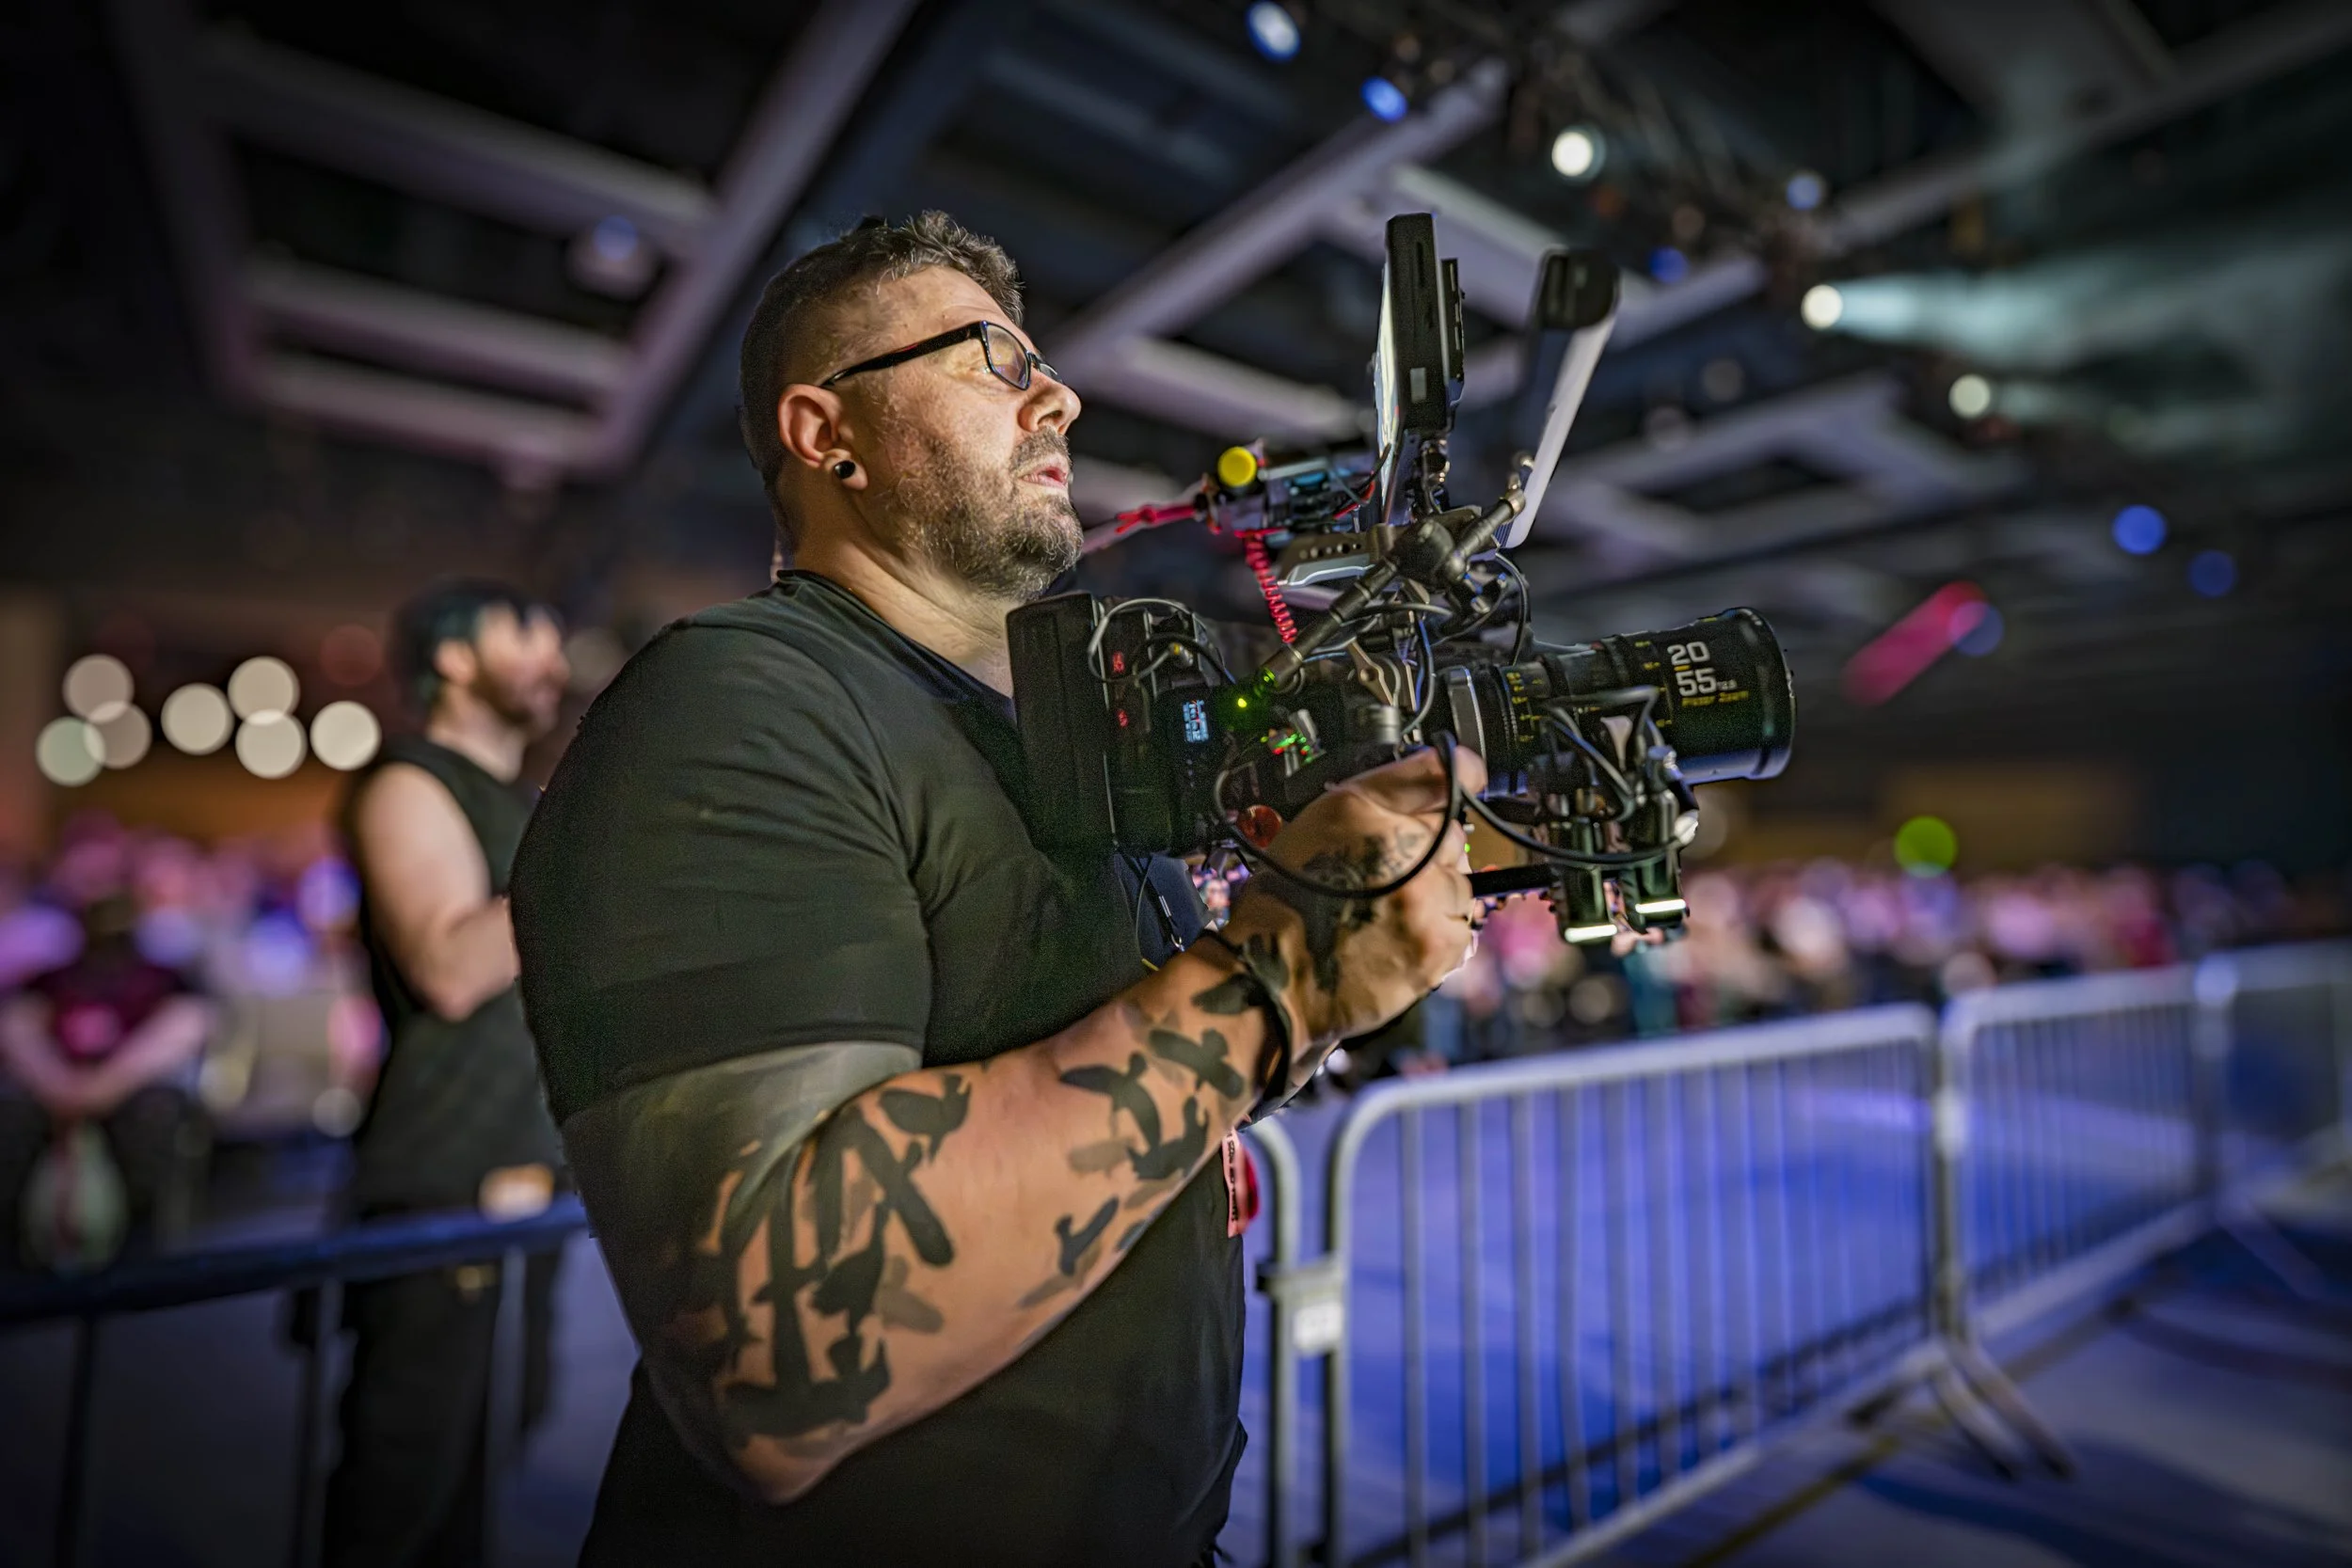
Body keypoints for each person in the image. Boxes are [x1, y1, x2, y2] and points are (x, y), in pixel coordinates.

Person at [511, 213, 1481, 1567]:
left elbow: (1124, 1059)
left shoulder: (1052, 749)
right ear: (822, 431)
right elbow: (770, 1358)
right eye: (986, 355)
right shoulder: (735, 702)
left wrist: (1347, 943)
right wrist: (1276, 976)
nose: (1058, 392)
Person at [326, 580, 571, 1568]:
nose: (554, 662)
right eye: (527, 637)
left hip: (525, 1159)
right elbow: (449, 965)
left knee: (494, 1438)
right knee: (404, 1475)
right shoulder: (408, 781)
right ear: (455, 658)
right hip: (442, 1166)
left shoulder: (519, 804)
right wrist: (591, 843)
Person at [0, 891, 211, 1269]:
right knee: (10, 1111)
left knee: (156, 1113)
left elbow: (185, 1025)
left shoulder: (164, 977)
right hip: (55, 1087)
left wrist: (107, 1086)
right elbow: (18, 1030)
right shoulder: (52, 979)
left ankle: (143, 1248)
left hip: (131, 1087)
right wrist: (56, 1083)